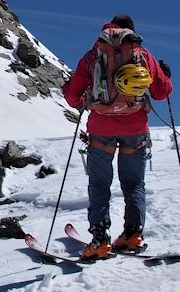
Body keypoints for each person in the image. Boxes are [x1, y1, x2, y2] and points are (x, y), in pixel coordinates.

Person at [61, 14, 173, 259]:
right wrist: (165, 75)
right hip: (136, 129)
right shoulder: (143, 55)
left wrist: (85, 102)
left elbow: (72, 97)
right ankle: (133, 234)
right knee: (134, 184)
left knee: (100, 184)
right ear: (130, 33)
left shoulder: (92, 56)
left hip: (101, 130)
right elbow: (162, 92)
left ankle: (100, 240)